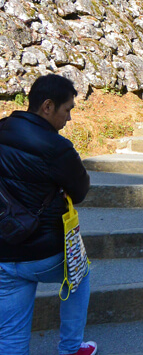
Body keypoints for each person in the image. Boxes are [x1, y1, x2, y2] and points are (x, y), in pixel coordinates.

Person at [0, 75, 96, 355]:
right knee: (80, 275)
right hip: (44, 252)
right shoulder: (58, 147)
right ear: (47, 106)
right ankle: (71, 348)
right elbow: (80, 191)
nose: (68, 118)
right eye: (67, 110)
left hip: (4, 252)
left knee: (11, 335)